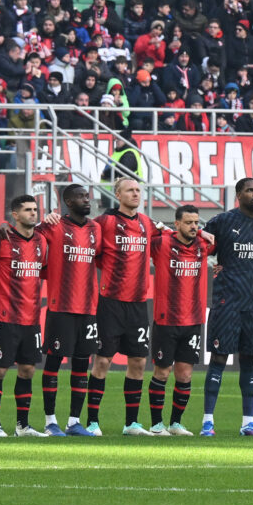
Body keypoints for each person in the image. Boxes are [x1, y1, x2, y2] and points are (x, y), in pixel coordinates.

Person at [201, 177, 253, 437]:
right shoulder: (223, 221)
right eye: (250, 190)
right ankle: (207, 422)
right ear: (239, 195)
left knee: (250, 361)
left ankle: (248, 422)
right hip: (227, 303)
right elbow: (200, 239)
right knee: (218, 359)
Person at [92, 177, 166, 436]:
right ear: (118, 195)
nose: (135, 194)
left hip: (137, 304)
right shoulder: (105, 222)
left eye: (138, 190)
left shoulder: (147, 223)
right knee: (102, 361)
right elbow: (91, 249)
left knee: (138, 361)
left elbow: (172, 234)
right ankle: (92, 422)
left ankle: (131, 423)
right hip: (110, 302)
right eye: (130, 190)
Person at [35, 184, 102, 437]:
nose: (87, 200)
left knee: (81, 364)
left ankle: (74, 422)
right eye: (81, 197)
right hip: (60, 306)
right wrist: (43, 220)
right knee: (53, 362)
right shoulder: (53, 226)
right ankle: (50, 421)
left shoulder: (96, 229)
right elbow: (28, 237)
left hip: (88, 308)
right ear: (68, 202)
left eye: (87, 196)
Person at [145, 205, 216, 436]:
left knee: (185, 374)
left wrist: (204, 233)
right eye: (188, 222)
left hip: (193, 320)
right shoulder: (162, 243)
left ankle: (175, 423)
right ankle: (157, 425)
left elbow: (216, 240)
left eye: (196, 222)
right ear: (176, 224)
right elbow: (144, 228)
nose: (194, 226)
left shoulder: (203, 245)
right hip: (167, 319)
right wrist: (163, 231)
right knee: (162, 373)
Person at [0, 195, 50, 437]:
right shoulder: (1, 240)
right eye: (27, 210)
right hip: (5, 317)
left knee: (27, 370)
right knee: (0, 369)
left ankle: (22, 426)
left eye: (35, 209)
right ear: (15, 215)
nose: (33, 213)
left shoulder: (41, 242)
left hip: (31, 318)